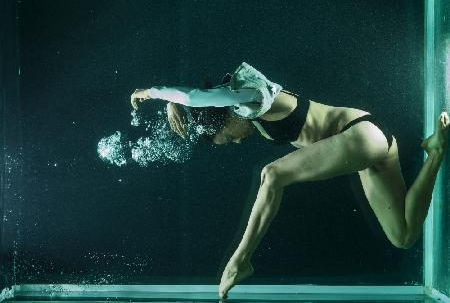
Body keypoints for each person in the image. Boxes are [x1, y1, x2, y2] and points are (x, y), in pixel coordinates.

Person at [130, 62, 449, 299]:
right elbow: (203, 99)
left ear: (227, 115)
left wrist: (153, 93)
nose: (237, 142)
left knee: (272, 175)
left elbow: (201, 97)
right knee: (403, 235)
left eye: (228, 137)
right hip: (369, 142)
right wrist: (177, 104)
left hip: (359, 135)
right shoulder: (244, 106)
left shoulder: (253, 92)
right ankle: (435, 153)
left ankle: (239, 261)